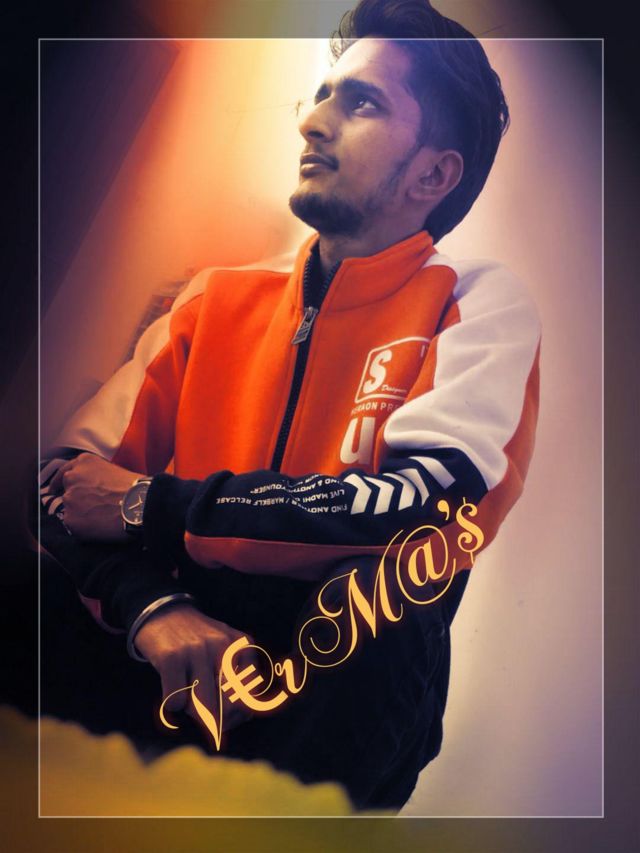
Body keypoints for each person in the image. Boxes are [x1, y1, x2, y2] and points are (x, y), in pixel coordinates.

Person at [37, 0, 541, 812]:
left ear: (433, 175)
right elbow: (60, 481)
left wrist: (147, 503)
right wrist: (153, 607)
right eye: (323, 93)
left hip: (330, 668)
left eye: (362, 102)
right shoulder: (214, 297)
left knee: (380, 601)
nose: (312, 120)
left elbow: (430, 506)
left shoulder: (476, 301)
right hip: (177, 631)